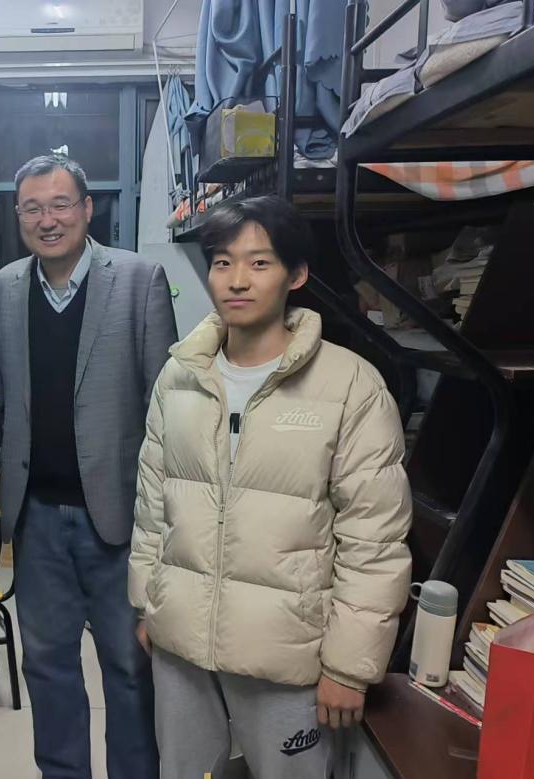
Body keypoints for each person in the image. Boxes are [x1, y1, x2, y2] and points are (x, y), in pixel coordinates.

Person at [129, 195, 413, 779]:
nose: (237, 280)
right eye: (222, 262)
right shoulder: (180, 375)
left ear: (296, 274)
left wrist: (349, 666)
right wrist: (149, 606)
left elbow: (374, 539)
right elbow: (154, 505)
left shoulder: (349, 386)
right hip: (182, 644)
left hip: (287, 651)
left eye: (259, 263)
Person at [0, 154, 177, 779]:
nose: (47, 219)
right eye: (32, 208)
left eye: (60, 204)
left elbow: (164, 406)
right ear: (18, 217)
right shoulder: (1, 290)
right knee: (47, 666)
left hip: (121, 516)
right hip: (35, 519)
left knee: (130, 667)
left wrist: (170, 514)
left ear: (87, 209)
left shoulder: (139, 280)